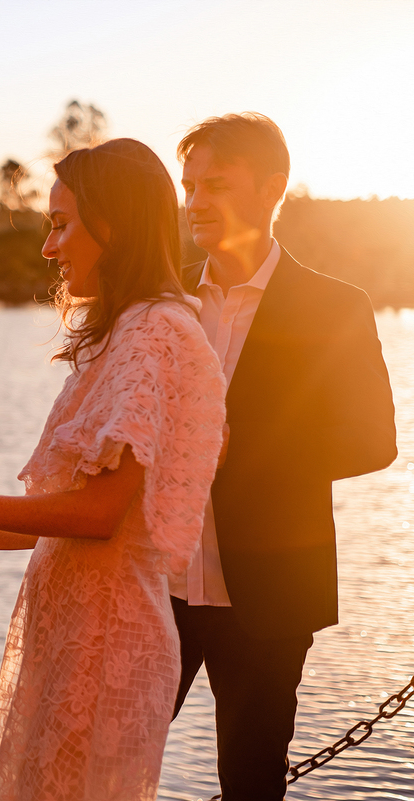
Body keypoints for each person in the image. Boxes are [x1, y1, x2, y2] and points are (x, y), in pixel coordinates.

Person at [0, 139, 227, 800]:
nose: (49, 247)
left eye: (61, 224)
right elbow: (91, 509)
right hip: (71, 629)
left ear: (115, 225)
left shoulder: (158, 333)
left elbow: (101, 516)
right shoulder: (122, 333)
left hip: (108, 643)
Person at [169, 113, 397, 799]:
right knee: (108, 761)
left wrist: (245, 448)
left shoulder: (336, 306)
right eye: (188, 186)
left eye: (216, 183)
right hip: (156, 586)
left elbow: (374, 441)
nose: (196, 202)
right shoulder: (162, 300)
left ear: (272, 189)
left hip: (269, 595)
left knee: (250, 779)